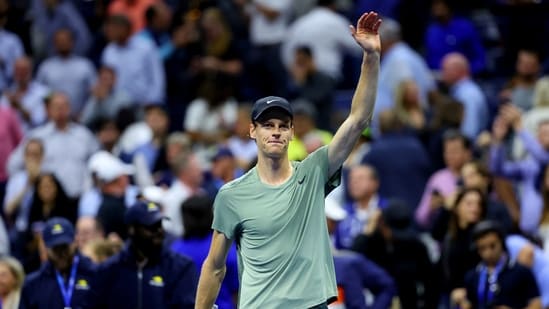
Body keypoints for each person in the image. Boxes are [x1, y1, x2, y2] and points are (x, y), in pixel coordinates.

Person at [195, 11, 382, 309]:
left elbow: (358, 120)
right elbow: (214, 266)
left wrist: (370, 57)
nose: (276, 132)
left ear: (292, 132)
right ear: (252, 131)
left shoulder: (313, 172)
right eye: (268, 125)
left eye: (283, 126)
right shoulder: (231, 195)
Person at [85, 201, 198, 308]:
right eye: (152, 227)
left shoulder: (181, 267)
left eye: (160, 224)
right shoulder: (108, 269)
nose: (159, 231)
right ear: (132, 229)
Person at [453, 220, 542, 309]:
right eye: (482, 248)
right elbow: (469, 304)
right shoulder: (473, 276)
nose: (488, 253)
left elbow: (537, 304)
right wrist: (461, 302)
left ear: (501, 242)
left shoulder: (520, 271)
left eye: (492, 246)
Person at [20, 217, 97, 309]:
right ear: (45, 248)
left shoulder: (96, 275)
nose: (61, 254)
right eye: (56, 249)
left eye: (64, 248)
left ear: (75, 242)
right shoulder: (33, 284)